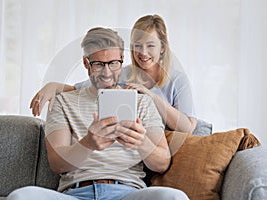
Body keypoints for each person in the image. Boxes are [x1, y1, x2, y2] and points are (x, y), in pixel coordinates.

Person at [8, 27, 189, 199]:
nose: (107, 72)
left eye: (113, 63)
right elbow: (57, 164)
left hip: (128, 193)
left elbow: (162, 163)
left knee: (174, 197)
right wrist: (88, 143)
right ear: (86, 62)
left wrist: (142, 143)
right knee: (21, 196)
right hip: (77, 193)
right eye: (98, 64)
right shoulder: (64, 101)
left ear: (122, 59)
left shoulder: (142, 102)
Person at [30, 14, 200, 134]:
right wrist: (52, 86)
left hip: (158, 148)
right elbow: (80, 88)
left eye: (150, 45)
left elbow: (188, 128)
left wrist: (150, 96)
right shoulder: (121, 72)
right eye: (137, 45)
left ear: (162, 47)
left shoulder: (176, 79)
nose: (143, 52)